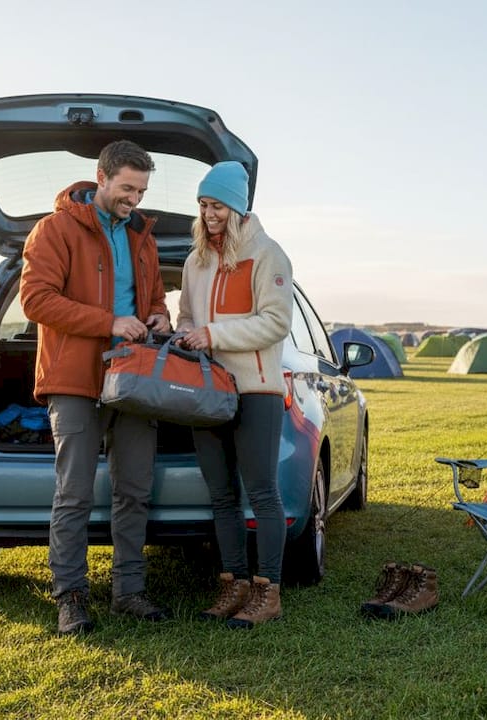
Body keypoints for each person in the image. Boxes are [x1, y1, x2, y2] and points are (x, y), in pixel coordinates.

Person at [20, 139, 173, 635]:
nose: (135, 199)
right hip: (74, 379)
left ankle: (130, 592)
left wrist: (158, 316)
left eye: (142, 190)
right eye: (128, 188)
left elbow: (154, 300)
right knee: (74, 494)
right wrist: (110, 321)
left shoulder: (142, 237)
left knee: (134, 490)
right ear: (102, 177)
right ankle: (70, 596)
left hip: (133, 379)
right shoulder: (55, 229)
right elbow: (36, 300)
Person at [176, 161, 294, 629]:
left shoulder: (268, 255)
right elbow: (186, 315)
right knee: (221, 495)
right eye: (204, 205)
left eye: (218, 205)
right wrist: (187, 332)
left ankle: (268, 591)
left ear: (238, 208)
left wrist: (212, 334)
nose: (209, 214)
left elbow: (275, 322)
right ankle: (234, 585)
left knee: (262, 492)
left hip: (255, 389)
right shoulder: (194, 261)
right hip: (206, 392)